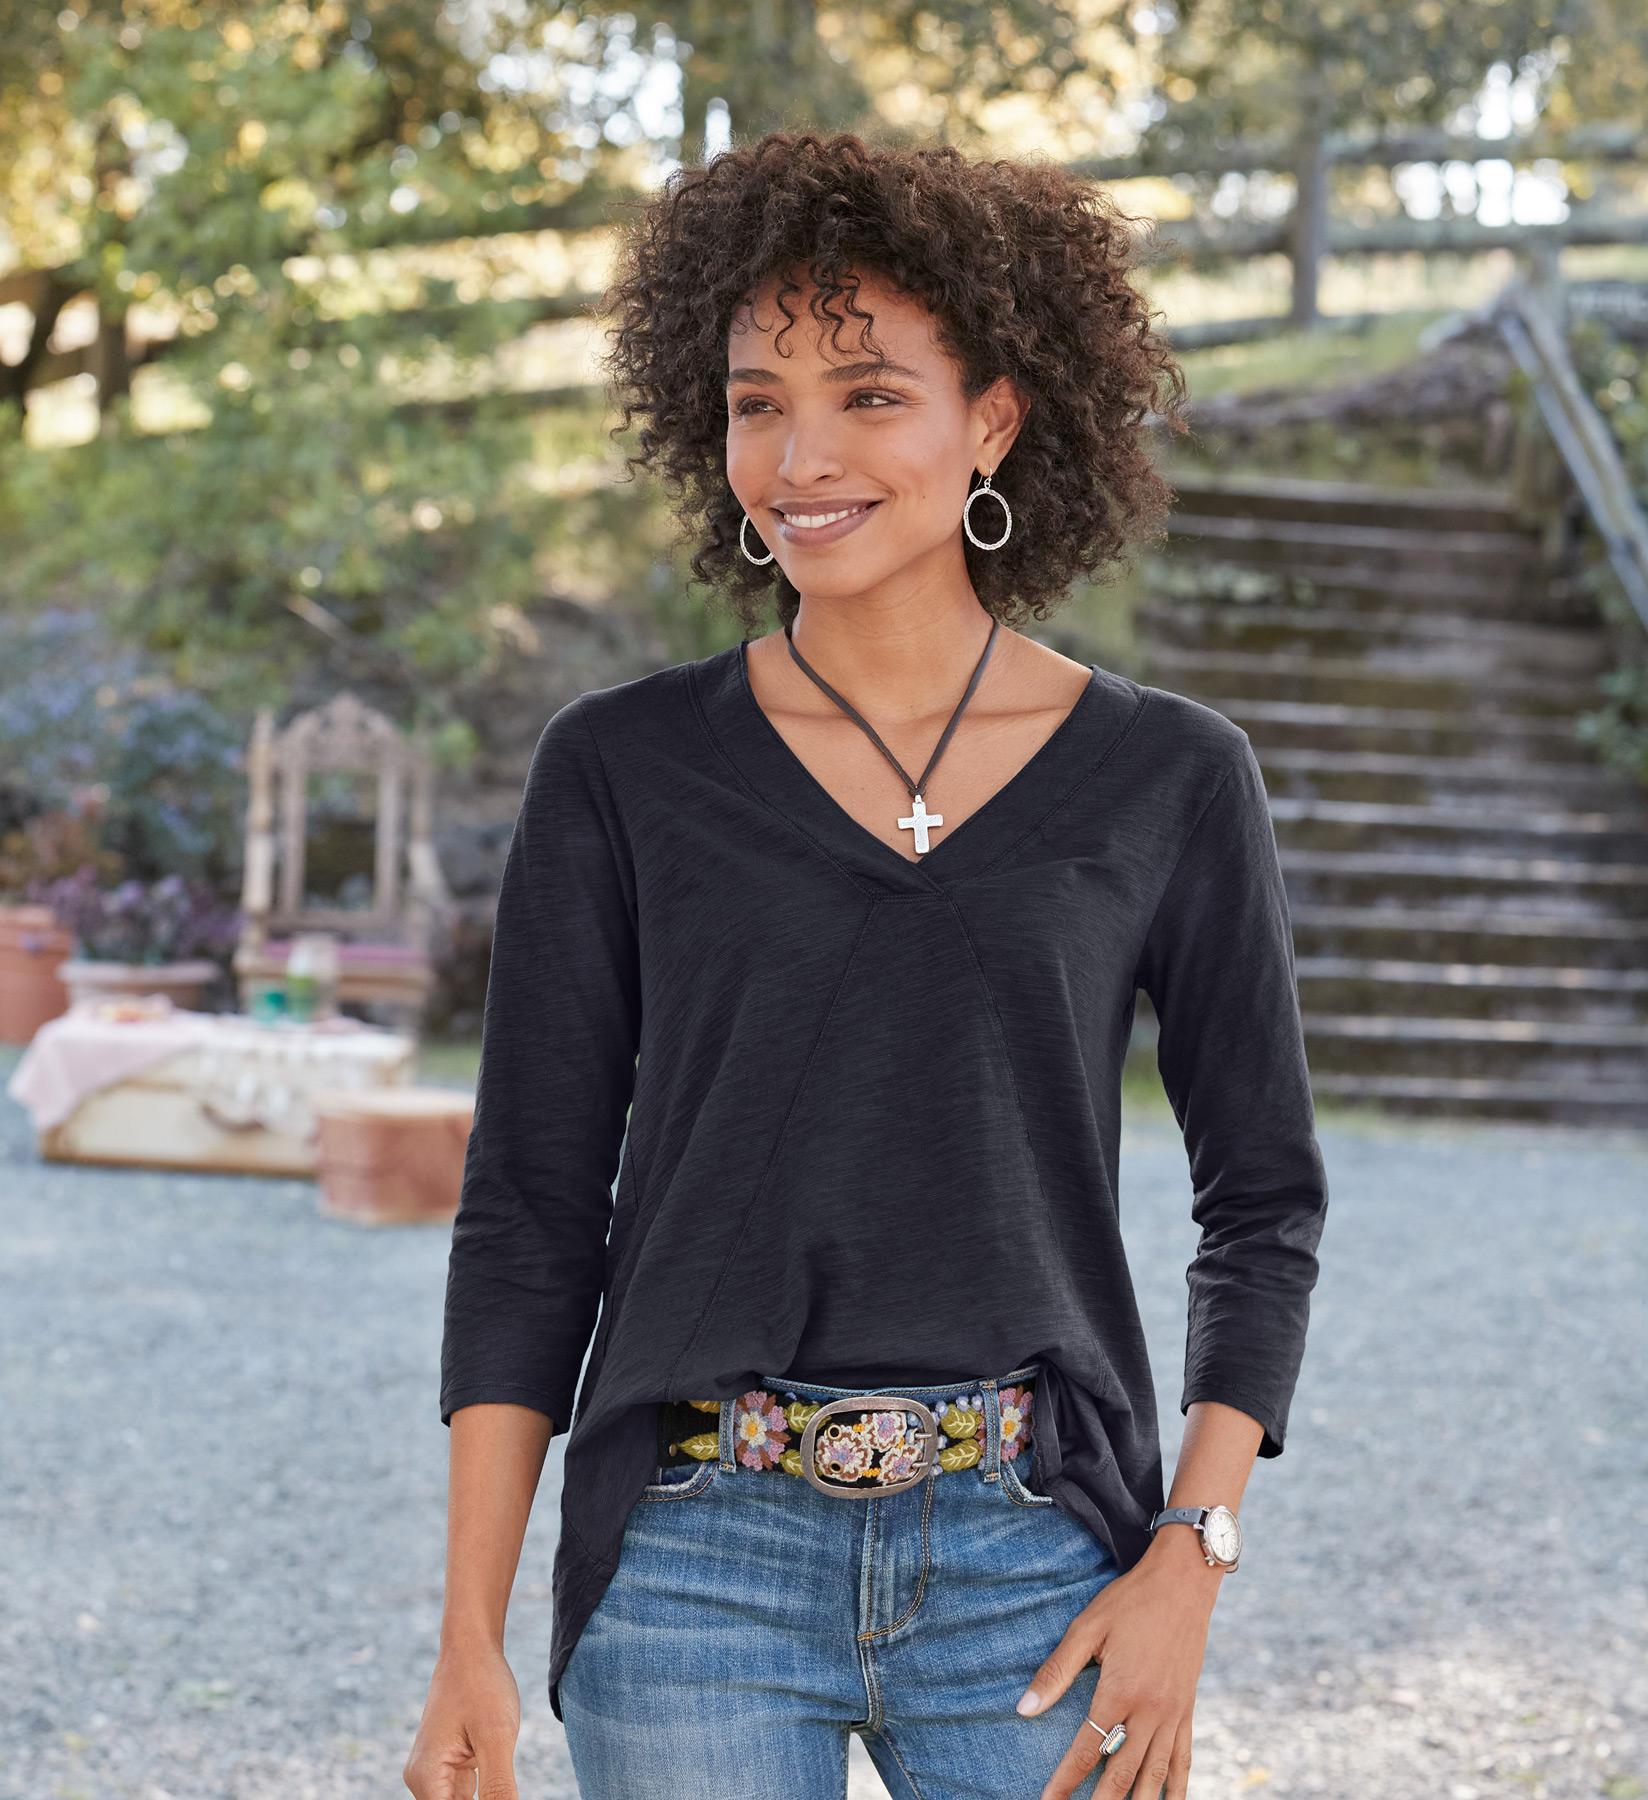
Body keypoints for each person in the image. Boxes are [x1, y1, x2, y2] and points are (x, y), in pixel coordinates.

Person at [404, 129, 1329, 1800]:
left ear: (996, 418)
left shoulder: (1172, 778)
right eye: (757, 401)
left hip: (1036, 1558)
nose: (800, 455)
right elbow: (531, 1206)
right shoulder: (619, 769)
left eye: (870, 394)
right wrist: (468, 1631)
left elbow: (1261, 1205)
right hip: (694, 1565)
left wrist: (1190, 1554)